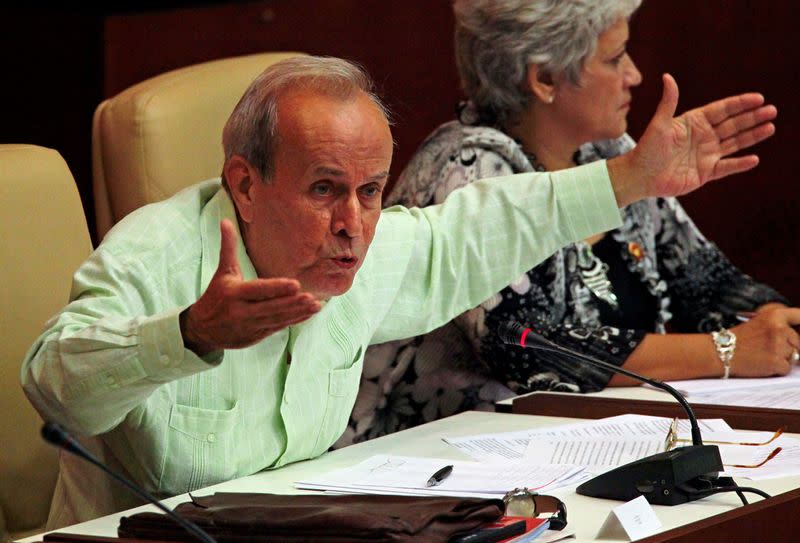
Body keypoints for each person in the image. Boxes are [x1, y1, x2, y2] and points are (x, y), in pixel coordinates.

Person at [22, 53, 774, 526]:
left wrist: (631, 176)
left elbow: (472, 229)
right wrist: (188, 335)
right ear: (246, 184)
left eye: (372, 190)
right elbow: (56, 387)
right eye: (324, 189)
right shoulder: (155, 253)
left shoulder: (364, 250)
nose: (353, 222)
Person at [343, 0, 797, 445]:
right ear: (544, 78)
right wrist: (725, 351)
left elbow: (709, 284)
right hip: (434, 468)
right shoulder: (468, 167)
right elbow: (526, 346)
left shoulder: (612, 154)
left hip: (590, 443)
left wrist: (773, 320)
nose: (635, 75)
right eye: (615, 58)